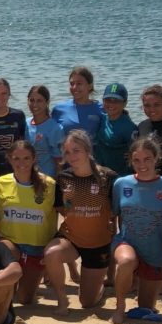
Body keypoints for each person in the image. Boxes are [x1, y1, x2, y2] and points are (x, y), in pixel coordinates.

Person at [42, 130, 118, 313]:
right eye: (67, 152)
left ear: (87, 150)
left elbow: (116, 213)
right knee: (51, 253)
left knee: (87, 302)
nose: (72, 156)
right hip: (71, 240)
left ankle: (99, 287)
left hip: (98, 245)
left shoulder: (109, 178)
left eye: (76, 150)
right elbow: (61, 209)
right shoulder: (63, 178)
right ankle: (62, 300)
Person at [110, 138, 162, 324]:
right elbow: (114, 216)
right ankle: (119, 307)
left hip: (155, 250)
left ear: (157, 158)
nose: (142, 165)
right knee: (126, 261)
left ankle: (142, 295)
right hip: (126, 242)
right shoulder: (121, 184)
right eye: (137, 160)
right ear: (130, 161)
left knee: (145, 308)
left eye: (147, 159)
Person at [0, 140, 58, 306]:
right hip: (10, 241)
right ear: (9, 159)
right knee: (6, 289)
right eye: (16, 158)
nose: (21, 163)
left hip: (36, 246)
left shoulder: (49, 184)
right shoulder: (1, 183)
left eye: (26, 158)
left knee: (25, 300)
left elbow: (63, 215)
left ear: (34, 159)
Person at [0, 78, 26, 176]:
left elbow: (23, 144)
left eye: (4, 93)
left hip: (15, 170)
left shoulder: (18, 115)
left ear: (9, 95)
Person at [94, 83, 137, 176]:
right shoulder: (102, 118)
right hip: (100, 173)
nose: (111, 104)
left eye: (116, 101)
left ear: (125, 103)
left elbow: (135, 156)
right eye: (108, 100)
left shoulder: (129, 127)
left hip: (119, 176)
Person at [52, 66, 104, 135]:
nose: (74, 87)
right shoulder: (59, 109)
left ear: (90, 86)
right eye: (72, 84)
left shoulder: (101, 109)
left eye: (79, 83)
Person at [26, 85, 64, 177]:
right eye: (32, 100)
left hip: (47, 178)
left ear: (47, 102)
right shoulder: (26, 123)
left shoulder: (55, 128)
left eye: (39, 101)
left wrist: (57, 185)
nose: (34, 104)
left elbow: (59, 161)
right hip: (27, 177)